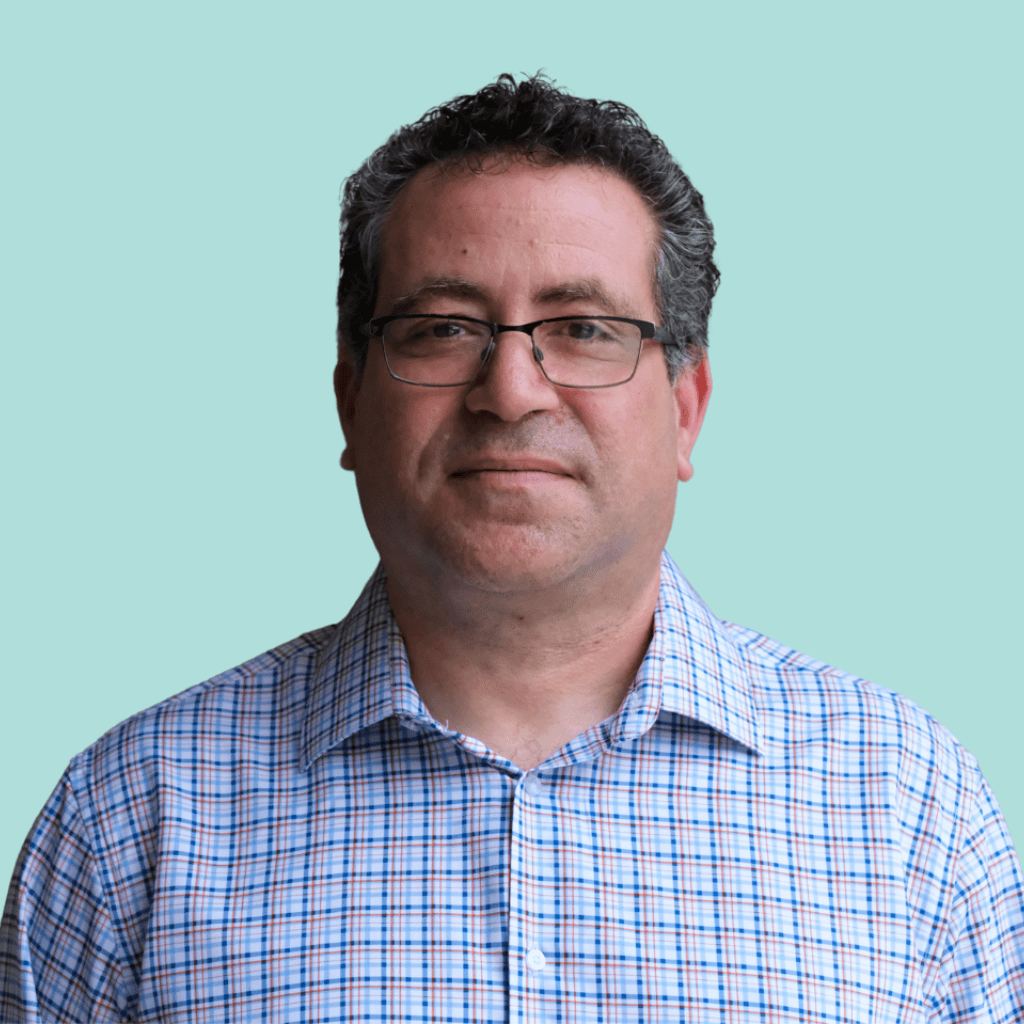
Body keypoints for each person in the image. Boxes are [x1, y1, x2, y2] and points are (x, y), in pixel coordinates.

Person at [2, 73, 1022, 1023]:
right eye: (443, 329)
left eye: (582, 328)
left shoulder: (907, 805)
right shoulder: (130, 817)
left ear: (686, 408)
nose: (511, 390)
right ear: (351, 400)